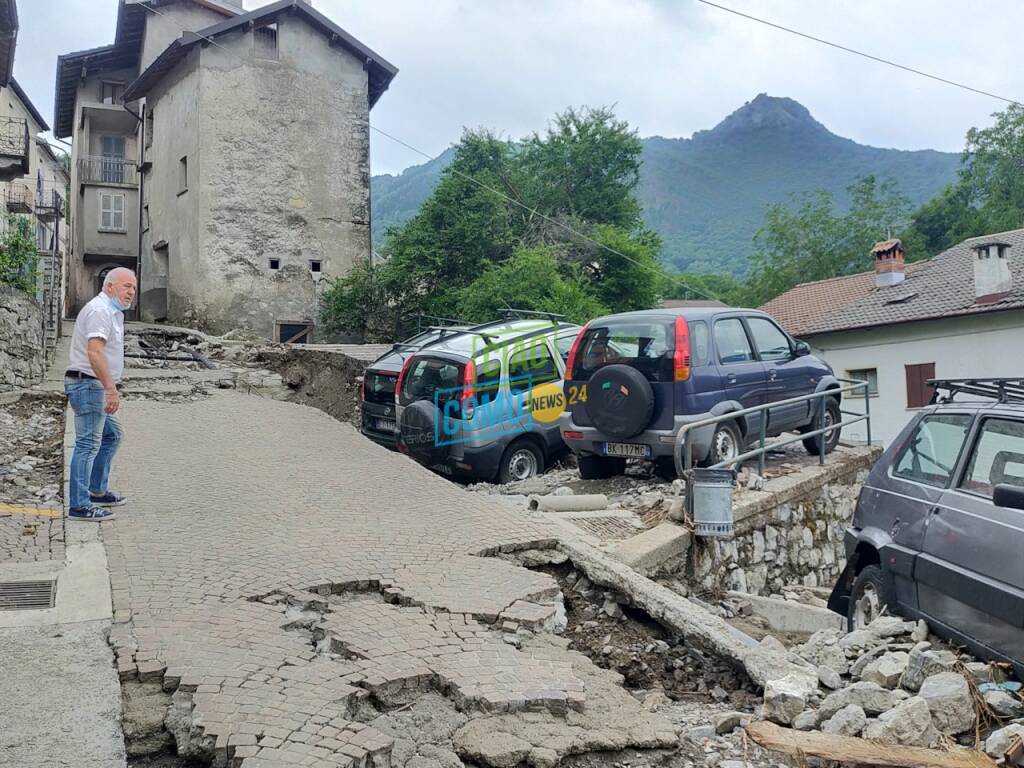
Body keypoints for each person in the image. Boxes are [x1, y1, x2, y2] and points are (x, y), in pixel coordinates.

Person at [65, 267, 137, 521]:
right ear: (109, 286)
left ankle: (96, 489)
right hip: (89, 385)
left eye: (134, 288)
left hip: (93, 385)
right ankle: (80, 505)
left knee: (112, 435)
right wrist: (109, 388)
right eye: (126, 286)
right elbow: (94, 352)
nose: (131, 292)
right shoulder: (100, 311)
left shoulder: (113, 312)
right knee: (87, 444)